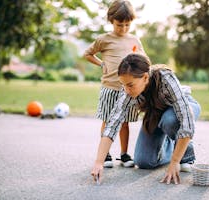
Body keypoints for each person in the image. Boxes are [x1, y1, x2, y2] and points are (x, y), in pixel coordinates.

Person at [91, 53, 201, 185]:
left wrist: (175, 161)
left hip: (184, 109)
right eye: (123, 85)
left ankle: (185, 153)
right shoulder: (126, 91)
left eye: (130, 85)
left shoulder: (166, 78)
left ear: (145, 77)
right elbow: (112, 124)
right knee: (144, 161)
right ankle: (176, 144)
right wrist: (99, 162)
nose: (126, 90)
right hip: (156, 114)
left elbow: (187, 121)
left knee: (170, 120)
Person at [84, 0, 147, 168]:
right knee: (107, 120)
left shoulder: (134, 40)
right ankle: (105, 155)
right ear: (111, 20)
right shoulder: (103, 39)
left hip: (128, 90)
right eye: (120, 25)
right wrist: (101, 64)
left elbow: (144, 59)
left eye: (127, 24)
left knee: (124, 122)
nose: (124, 28)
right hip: (109, 88)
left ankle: (124, 154)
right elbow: (88, 54)